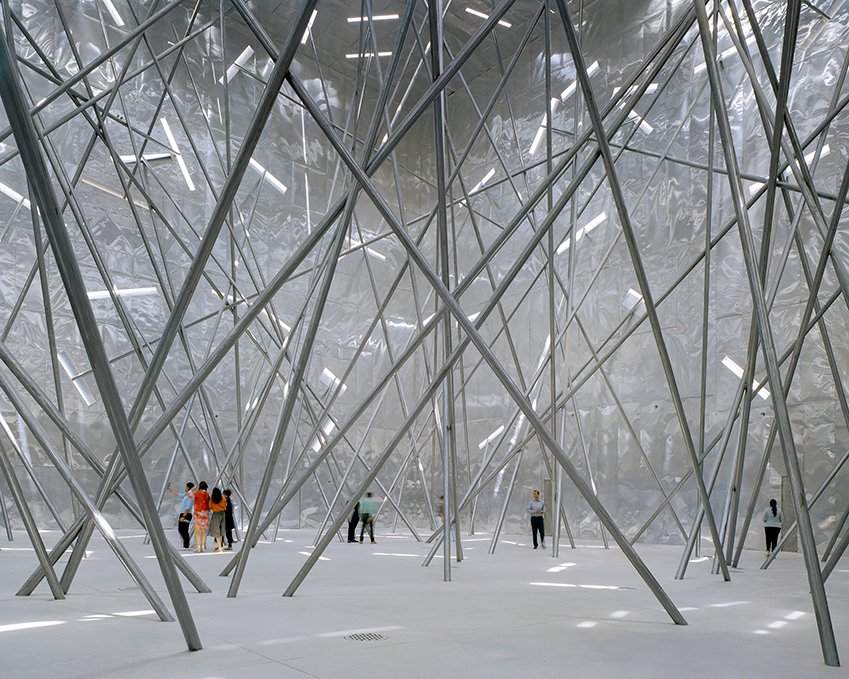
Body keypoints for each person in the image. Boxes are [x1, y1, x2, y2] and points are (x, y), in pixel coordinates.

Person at [193, 481, 210, 552]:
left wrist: (195, 488)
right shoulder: (207, 494)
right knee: (203, 531)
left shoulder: (196, 493)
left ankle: (198, 547)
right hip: (205, 514)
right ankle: (203, 546)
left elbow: (189, 494)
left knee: (197, 531)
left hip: (197, 513)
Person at [209, 487, 227, 553]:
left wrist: (215, 507)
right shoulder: (222, 497)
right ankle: (220, 547)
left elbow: (210, 506)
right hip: (223, 514)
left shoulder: (212, 498)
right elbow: (225, 505)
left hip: (216, 514)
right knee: (222, 530)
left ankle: (219, 547)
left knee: (216, 530)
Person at [177, 482, 195, 549]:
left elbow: (188, 507)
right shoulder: (186, 495)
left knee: (183, 530)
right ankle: (186, 545)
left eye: (186, 487)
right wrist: (170, 489)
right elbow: (178, 495)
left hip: (186, 514)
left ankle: (186, 545)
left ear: (189, 488)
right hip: (184, 514)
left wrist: (183, 516)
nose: (185, 488)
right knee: (182, 529)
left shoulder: (190, 496)